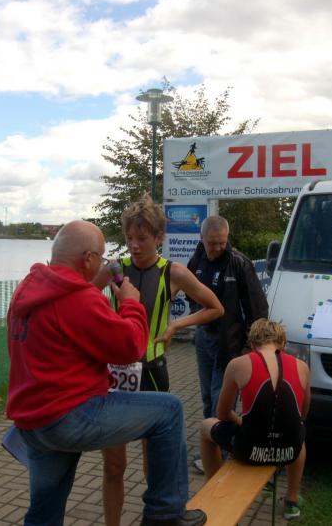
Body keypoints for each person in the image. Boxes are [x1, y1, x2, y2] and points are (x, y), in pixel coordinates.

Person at [6, 220, 206, 526]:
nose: (102, 264)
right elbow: (130, 346)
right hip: (70, 415)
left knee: (43, 513)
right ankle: (165, 514)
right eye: (100, 257)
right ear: (87, 258)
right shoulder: (77, 298)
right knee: (170, 411)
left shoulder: (27, 289)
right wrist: (131, 304)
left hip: (33, 422)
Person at [99, 194, 224, 526]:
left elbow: (215, 307)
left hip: (152, 372)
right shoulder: (115, 270)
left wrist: (175, 325)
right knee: (113, 465)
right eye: (129, 238)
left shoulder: (173, 272)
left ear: (159, 237)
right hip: (114, 374)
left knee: (153, 462)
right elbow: (79, 296)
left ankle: (155, 519)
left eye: (142, 238)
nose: (134, 245)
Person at [200, 319, 310, 520]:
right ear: (283, 343)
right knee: (299, 431)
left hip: (249, 451)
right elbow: (302, 415)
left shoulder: (237, 364)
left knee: (205, 426)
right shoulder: (302, 367)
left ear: (252, 344)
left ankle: (215, 489)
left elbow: (222, 414)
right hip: (289, 451)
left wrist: (242, 421)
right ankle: (292, 500)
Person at [187, 215, 269, 471]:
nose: (217, 248)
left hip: (230, 343)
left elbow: (257, 307)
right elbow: (189, 290)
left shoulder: (238, 263)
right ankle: (211, 443)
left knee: (219, 397)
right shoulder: (196, 259)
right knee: (206, 396)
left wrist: (249, 345)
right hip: (204, 338)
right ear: (202, 239)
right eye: (212, 243)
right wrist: (196, 316)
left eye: (222, 242)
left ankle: (221, 453)